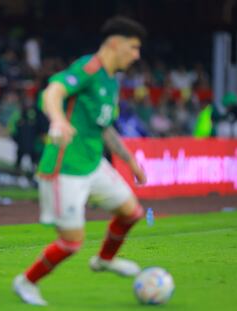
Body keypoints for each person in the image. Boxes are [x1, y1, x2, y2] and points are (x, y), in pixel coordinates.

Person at [13, 16, 148, 306]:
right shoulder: (89, 68)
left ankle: (104, 260)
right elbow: (53, 91)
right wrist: (59, 119)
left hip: (93, 162)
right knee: (71, 242)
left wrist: (129, 160)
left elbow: (105, 127)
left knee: (132, 212)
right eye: (133, 47)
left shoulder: (111, 81)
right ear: (115, 43)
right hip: (66, 167)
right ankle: (26, 281)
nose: (137, 55)